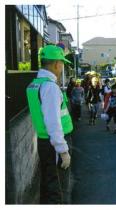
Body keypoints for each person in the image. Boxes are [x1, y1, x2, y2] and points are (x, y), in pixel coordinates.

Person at [26, 45, 73, 204]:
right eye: (62, 63)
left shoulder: (36, 84)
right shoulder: (50, 87)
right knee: (58, 190)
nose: (62, 68)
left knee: (48, 183)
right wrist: (63, 150)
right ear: (56, 64)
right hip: (55, 144)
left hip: (44, 141)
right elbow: (53, 122)